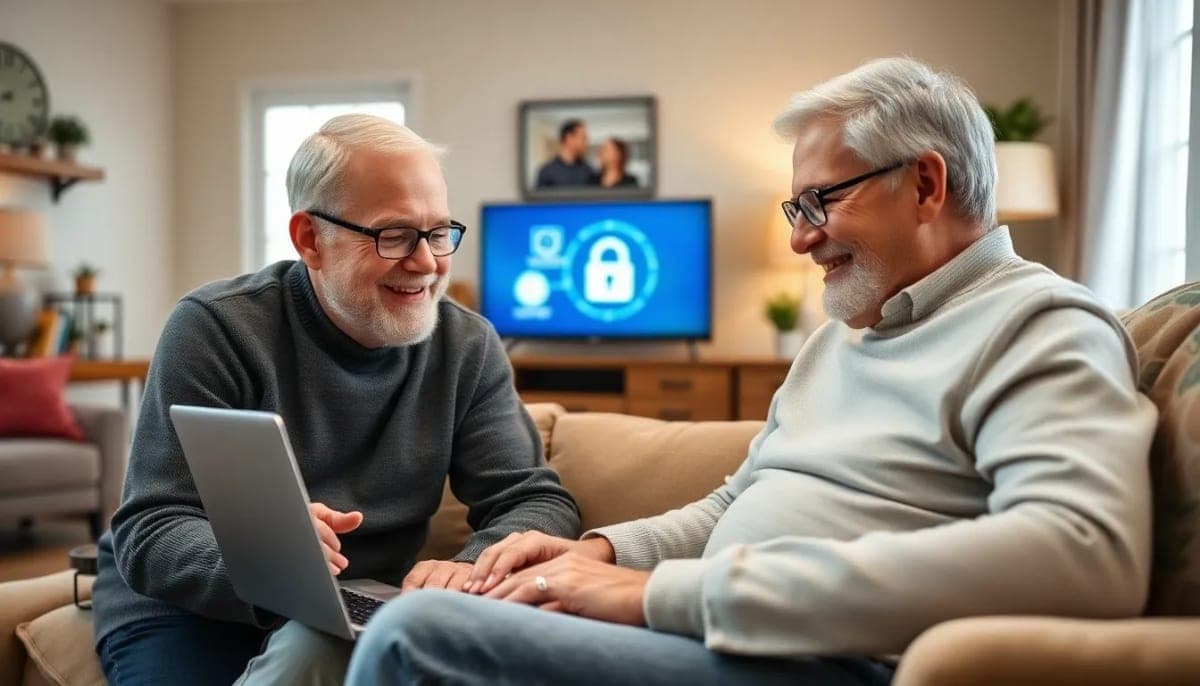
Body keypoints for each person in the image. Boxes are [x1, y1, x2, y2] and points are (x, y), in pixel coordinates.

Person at [344, 57, 1157, 685]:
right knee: (443, 605)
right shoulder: (844, 338)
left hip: (835, 661)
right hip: (732, 637)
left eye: (820, 202)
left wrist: (664, 596)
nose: (803, 238)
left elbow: (1083, 554)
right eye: (795, 210)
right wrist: (604, 553)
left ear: (927, 183)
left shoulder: (1039, 326)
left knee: (418, 639)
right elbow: (742, 499)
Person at [90, 114, 581, 686]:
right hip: (190, 613)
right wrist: (266, 558)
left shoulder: (467, 346)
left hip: (356, 612)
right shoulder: (217, 328)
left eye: (439, 231)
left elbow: (536, 502)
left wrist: (467, 570)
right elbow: (152, 526)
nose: (426, 262)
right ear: (310, 240)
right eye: (393, 235)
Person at [534, 119, 595, 187]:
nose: (586, 142)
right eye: (583, 138)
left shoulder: (588, 171)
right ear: (569, 138)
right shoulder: (546, 172)